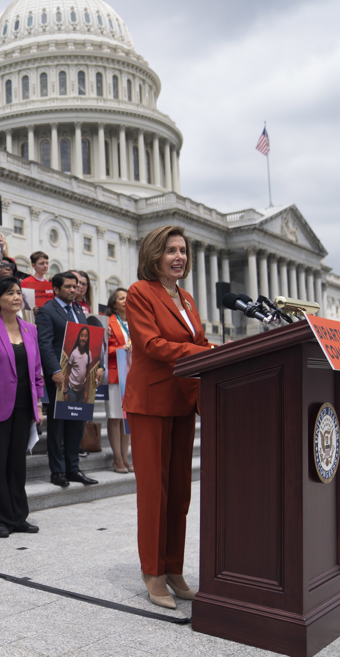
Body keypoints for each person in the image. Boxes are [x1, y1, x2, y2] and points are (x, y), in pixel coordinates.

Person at [122, 224, 211, 609]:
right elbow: (152, 344)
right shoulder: (142, 292)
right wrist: (205, 353)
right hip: (150, 402)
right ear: (154, 255)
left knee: (179, 493)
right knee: (154, 492)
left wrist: (215, 351)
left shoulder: (187, 299)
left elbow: (196, 342)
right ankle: (153, 572)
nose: (179, 257)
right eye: (171, 250)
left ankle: (174, 567)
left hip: (182, 401)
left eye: (183, 251)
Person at [0, 277, 44, 538]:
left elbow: (36, 371)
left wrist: (38, 404)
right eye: (9, 294)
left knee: (17, 463)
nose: (16, 297)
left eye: (18, 293)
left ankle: (18, 517)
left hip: (24, 405)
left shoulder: (30, 329)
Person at [36, 271, 100, 488]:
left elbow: (88, 340)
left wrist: (96, 367)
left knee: (77, 423)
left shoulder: (78, 311)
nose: (74, 290)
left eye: (76, 286)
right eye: (69, 287)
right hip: (59, 378)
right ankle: (57, 471)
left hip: (81, 377)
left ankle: (73, 468)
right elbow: (44, 344)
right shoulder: (47, 311)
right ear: (56, 289)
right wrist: (54, 370)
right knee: (58, 425)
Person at [104, 288, 132, 473]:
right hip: (115, 374)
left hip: (132, 374)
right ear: (114, 303)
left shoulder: (135, 321)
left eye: (128, 297)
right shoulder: (108, 322)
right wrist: (122, 347)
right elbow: (102, 349)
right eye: (121, 298)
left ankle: (126, 456)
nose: (125, 300)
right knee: (115, 417)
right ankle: (117, 458)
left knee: (127, 418)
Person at [63, 326, 97, 404]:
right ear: (78, 337)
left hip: (82, 390)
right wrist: (65, 392)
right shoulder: (74, 353)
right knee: (71, 412)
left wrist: (86, 391)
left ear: (88, 338)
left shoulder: (89, 354)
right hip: (71, 389)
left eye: (85, 336)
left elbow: (88, 374)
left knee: (80, 413)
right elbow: (67, 374)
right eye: (81, 335)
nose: (83, 338)